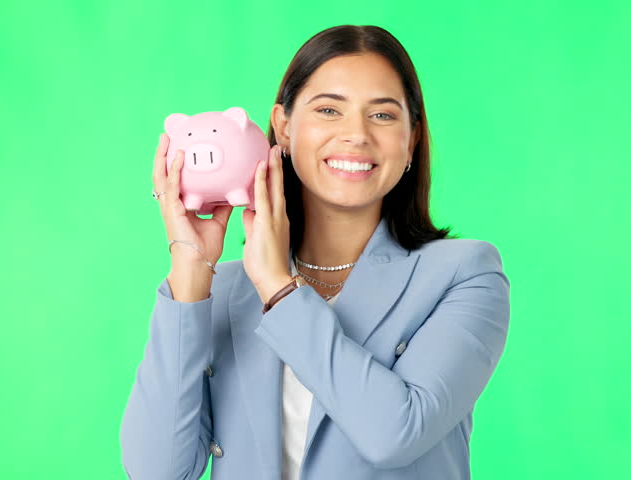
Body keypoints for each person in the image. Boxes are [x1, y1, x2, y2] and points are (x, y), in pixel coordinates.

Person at [120, 24, 510, 480]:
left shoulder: (466, 273)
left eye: (382, 116)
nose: (356, 135)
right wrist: (189, 276)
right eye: (329, 110)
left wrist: (278, 289)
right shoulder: (223, 291)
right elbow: (157, 472)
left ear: (412, 139)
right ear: (283, 127)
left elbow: (396, 434)